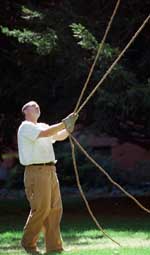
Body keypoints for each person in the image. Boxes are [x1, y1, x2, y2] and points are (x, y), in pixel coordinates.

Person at [17, 100, 78, 254]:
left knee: (55, 209)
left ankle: (54, 247)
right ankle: (28, 243)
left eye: (38, 105)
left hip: (50, 170)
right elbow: (46, 133)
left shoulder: (43, 125)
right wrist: (64, 123)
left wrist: (70, 126)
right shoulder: (26, 127)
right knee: (42, 209)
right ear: (25, 111)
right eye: (32, 105)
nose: (37, 106)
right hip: (35, 171)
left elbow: (59, 136)